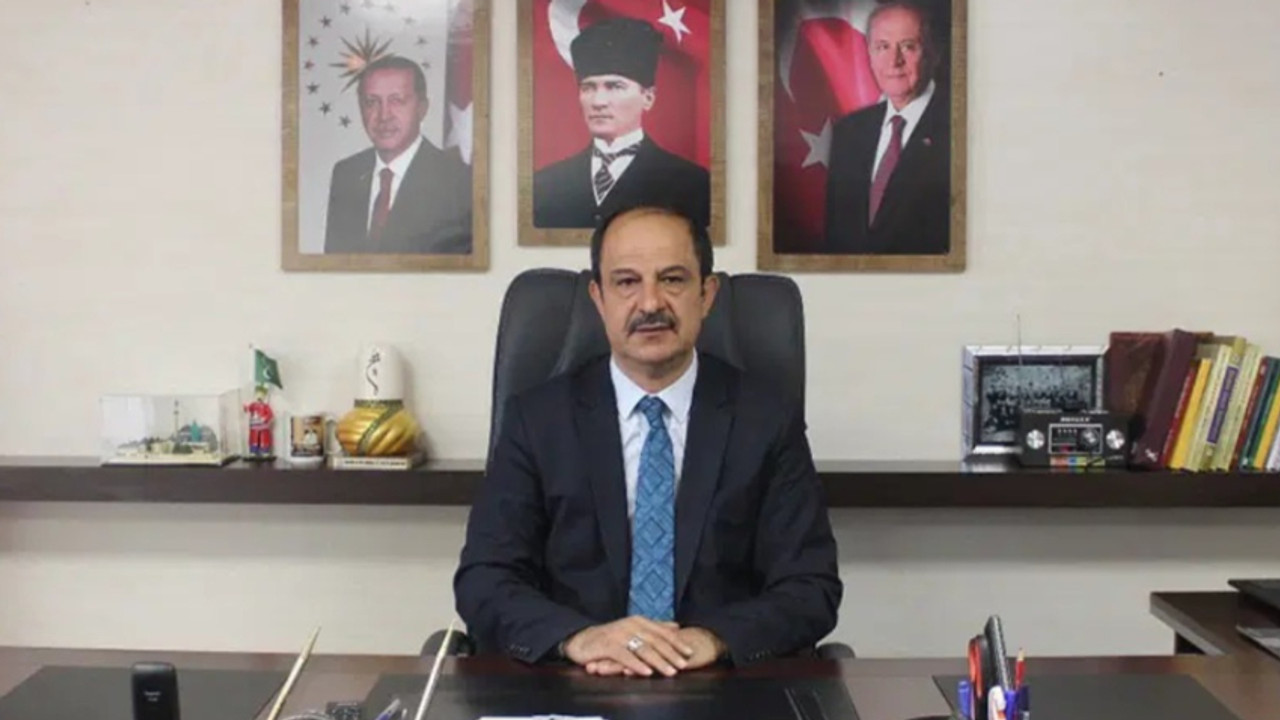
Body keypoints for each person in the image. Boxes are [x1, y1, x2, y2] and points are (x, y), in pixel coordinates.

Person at [454, 203, 841, 677]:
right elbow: (485, 579)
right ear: (598, 298)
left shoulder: (766, 419)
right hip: (573, 683)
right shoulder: (537, 420)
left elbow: (810, 587)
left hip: (720, 686)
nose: (651, 303)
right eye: (626, 282)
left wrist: (713, 639)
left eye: (673, 279)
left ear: (706, 295)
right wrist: (578, 638)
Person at [532, 18, 711, 229]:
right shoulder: (546, 183)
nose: (598, 102)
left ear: (648, 98)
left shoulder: (692, 183)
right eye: (588, 88)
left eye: (615, 86)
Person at [823, 1, 950, 255]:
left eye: (908, 46)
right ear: (869, 54)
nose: (895, 61)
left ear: (934, 53)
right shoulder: (848, 132)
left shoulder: (955, 129)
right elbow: (836, 238)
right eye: (883, 47)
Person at [324, 55, 472, 254]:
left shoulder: (458, 181)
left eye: (397, 101)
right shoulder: (346, 174)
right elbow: (335, 264)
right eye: (371, 102)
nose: (384, 116)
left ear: (422, 108)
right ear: (361, 109)